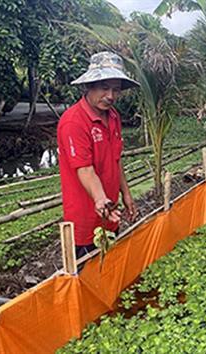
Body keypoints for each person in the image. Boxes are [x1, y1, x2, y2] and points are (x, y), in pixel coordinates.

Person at [57, 51, 140, 260]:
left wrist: (126, 194)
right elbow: (84, 168)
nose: (110, 96)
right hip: (86, 215)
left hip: (110, 211)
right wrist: (100, 199)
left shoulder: (113, 116)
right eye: (104, 88)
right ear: (89, 87)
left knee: (110, 265)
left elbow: (116, 159)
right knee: (87, 273)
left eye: (116, 90)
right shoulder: (73, 122)